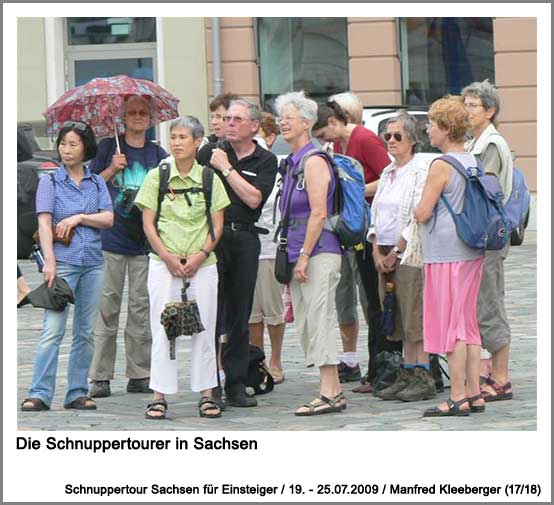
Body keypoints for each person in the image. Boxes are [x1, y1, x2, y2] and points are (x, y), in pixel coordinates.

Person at [134, 116, 230, 419]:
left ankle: (207, 394)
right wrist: (168, 257)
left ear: (197, 142)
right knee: (162, 329)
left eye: (182, 137)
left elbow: (217, 224)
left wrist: (200, 256)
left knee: (205, 329)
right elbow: (148, 223)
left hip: (203, 264)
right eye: (173, 137)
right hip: (164, 265)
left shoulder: (209, 178)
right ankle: (159, 395)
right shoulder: (156, 176)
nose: (176, 142)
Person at [20, 121, 114, 412]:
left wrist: (79, 218)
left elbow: (108, 218)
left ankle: (76, 392)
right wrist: (49, 262)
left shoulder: (96, 182)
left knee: (85, 332)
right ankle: (39, 393)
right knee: (53, 330)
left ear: (85, 148)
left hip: (93, 265)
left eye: (73, 144)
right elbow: (44, 222)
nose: (66, 149)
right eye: (63, 143)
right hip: (63, 265)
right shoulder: (50, 181)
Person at [88, 95, 168, 398]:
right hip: (110, 241)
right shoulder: (109, 147)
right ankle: (100, 376)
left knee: (140, 310)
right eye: (131, 113)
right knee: (106, 308)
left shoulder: (157, 153)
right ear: (122, 117)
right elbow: (89, 186)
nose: (137, 117)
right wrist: (111, 169)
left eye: (142, 113)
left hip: (144, 244)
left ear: (150, 120)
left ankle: (139, 373)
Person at [312, 98, 394, 392]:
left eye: (322, 135)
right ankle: (372, 368)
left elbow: (389, 174)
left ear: (333, 123)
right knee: (363, 300)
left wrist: (356, 189)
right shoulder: (339, 146)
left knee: (373, 300)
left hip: (372, 226)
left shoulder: (364, 139)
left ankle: (380, 367)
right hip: (354, 228)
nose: (323, 142)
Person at [414, 96, 485, 416]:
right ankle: (475, 393)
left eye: (431, 123)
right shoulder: (472, 160)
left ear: (445, 127)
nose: (428, 129)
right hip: (471, 250)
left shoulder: (441, 165)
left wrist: (415, 209)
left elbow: (423, 212)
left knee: (451, 326)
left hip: (445, 253)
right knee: (468, 324)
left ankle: (457, 395)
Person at [275, 91, 344, 416]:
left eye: (288, 117)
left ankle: (331, 392)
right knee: (306, 321)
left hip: (318, 252)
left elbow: (318, 213)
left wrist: (302, 255)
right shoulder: (293, 162)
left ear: (306, 122)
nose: (282, 122)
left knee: (320, 318)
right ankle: (328, 389)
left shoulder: (314, 161)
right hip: (301, 253)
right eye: (280, 117)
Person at [207, 98, 278, 407]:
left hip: (245, 239)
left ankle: (236, 383)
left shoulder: (265, 160)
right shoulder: (208, 151)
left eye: (237, 119)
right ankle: (209, 385)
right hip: (213, 240)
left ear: (253, 126)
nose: (230, 123)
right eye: (227, 118)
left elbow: (253, 200)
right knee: (211, 314)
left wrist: (225, 168)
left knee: (240, 315)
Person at [369, 111, 436, 402]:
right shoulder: (387, 172)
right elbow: (376, 214)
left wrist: (396, 249)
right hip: (382, 250)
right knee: (395, 317)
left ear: (413, 140)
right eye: (388, 136)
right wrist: (375, 248)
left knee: (413, 317)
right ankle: (407, 371)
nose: (392, 141)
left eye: (398, 136)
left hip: (408, 254)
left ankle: (423, 375)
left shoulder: (419, 170)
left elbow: (416, 216)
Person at [462, 80, 514, 402]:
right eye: (465, 104)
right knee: (481, 305)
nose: (466, 110)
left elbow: (487, 192)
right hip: (480, 237)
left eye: (472, 106)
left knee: (490, 305)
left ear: (490, 111)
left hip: (489, 237)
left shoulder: (491, 144)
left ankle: (502, 378)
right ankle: (491, 371)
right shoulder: (475, 142)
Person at [247, 112, 286, 384]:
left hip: (271, 245)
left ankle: (276, 359)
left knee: (273, 309)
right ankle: (256, 359)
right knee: (251, 312)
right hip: (248, 245)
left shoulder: (276, 164)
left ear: (271, 138)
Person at [196, 92, 240, 165]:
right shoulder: (205, 145)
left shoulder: (248, 149)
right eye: (212, 117)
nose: (213, 122)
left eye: (218, 117)